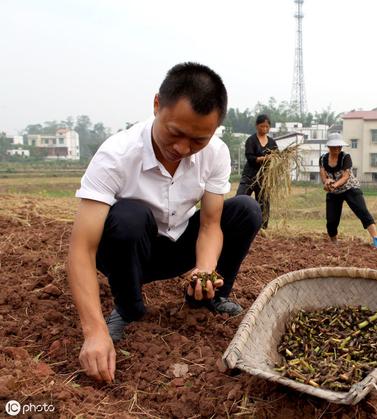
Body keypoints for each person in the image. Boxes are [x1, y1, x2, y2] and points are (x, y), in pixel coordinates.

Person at [67, 62, 262, 383]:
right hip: (128, 252)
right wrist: (94, 331)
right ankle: (128, 309)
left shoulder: (216, 153)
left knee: (245, 210)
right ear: (157, 105)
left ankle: (205, 296)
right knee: (129, 215)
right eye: (175, 133)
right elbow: (82, 250)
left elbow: (211, 224)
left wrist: (205, 267)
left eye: (198, 139)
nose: (183, 149)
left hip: (179, 245)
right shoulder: (116, 155)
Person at [319, 133, 377, 248]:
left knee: (363, 212)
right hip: (334, 193)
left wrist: (335, 184)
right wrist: (327, 183)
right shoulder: (323, 159)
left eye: (339, 147)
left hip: (350, 188)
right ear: (329, 147)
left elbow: (345, 176)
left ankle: (376, 240)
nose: (337, 149)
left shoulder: (345, 157)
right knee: (331, 221)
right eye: (334, 147)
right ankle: (334, 242)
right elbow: (324, 177)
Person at [236, 114, 278, 229]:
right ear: (256, 126)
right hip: (249, 176)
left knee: (264, 204)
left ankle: (263, 229)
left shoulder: (272, 142)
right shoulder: (251, 140)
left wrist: (275, 160)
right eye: (262, 126)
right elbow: (250, 158)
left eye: (266, 127)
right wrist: (265, 158)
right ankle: (236, 225)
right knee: (240, 200)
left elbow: (276, 156)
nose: (264, 129)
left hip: (263, 179)